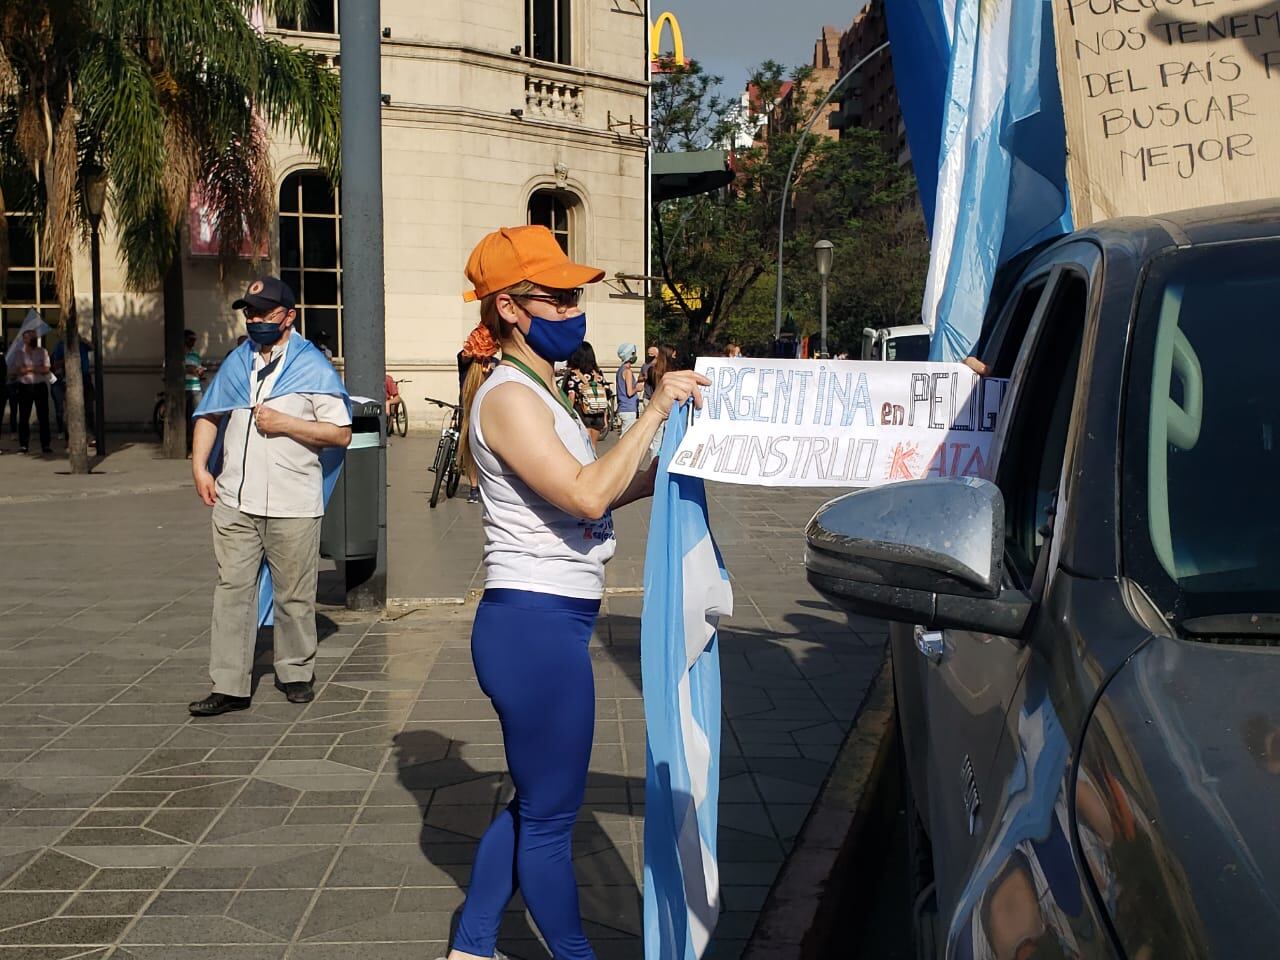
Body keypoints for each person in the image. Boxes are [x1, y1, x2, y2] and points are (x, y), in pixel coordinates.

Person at [444, 225, 707, 960]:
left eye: (576, 294)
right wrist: (652, 410)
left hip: (543, 624)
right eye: (558, 296)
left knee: (537, 806)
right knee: (553, 824)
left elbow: (589, 495)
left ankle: (470, 947)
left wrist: (672, 467)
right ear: (509, 307)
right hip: (534, 629)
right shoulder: (508, 396)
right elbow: (588, 498)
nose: (574, 307)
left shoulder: (536, 386)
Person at [188, 276, 352, 717]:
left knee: (294, 595)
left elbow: (340, 433)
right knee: (231, 592)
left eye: (264, 313)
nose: (256, 320)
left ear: (288, 316)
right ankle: (229, 684)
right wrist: (200, 466)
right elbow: (209, 414)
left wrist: (287, 424)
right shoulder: (237, 363)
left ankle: (295, 672)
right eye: (250, 313)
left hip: (292, 502)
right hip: (235, 501)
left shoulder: (313, 367)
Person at [458, 323, 500, 503]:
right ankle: (477, 487)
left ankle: (477, 488)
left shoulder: (494, 365)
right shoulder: (468, 360)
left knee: (476, 449)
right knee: (476, 449)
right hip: (477, 411)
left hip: (477, 410)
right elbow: (466, 353)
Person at [6, 318, 53, 454]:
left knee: (43, 416)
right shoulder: (18, 353)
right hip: (25, 387)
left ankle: (46, 445)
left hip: (39, 386)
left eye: (33, 337)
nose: (32, 339)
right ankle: (24, 445)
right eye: (29, 337)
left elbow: (46, 369)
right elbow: (17, 370)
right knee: (24, 417)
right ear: (24, 339)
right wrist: (35, 368)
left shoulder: (42, 351)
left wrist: (29, 368)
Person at [561, 341, 610, 449]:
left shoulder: (574, 374)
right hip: (598, 413)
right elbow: (605, 394)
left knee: (584, 447)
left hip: (582, 411)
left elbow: (571, 396)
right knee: (593, 447)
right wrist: (605, 418)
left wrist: (568, 415)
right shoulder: (598, 374)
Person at [184, 329, 206, 455]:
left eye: (194, 340)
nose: (193, 342)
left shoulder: (195, 355)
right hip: (183, 390)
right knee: (185, 419)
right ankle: (186, 444)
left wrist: (200, 372)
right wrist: (190, 369)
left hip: (195, 388)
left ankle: (195, 446)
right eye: (191, 339)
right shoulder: (177, 354)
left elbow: (197, 370)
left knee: (197, 418)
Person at [614, 342, 640, 434]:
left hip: (623, 408)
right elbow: (629, 392)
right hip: (628, 409)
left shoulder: (620, 370)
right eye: (633, 353)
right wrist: (637, 388)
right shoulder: (627, 371)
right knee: (627, 438)